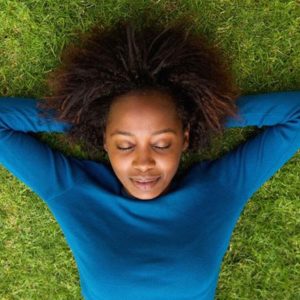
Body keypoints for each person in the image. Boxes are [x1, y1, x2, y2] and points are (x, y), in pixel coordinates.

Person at [0, 16, 299, 300]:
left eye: (161, 143)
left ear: (185, 139)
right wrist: (89, 117)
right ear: (105, 141)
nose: (144, 163)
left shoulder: (220, 189)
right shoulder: (73, 190)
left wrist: (204, 112)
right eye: (125, 144)